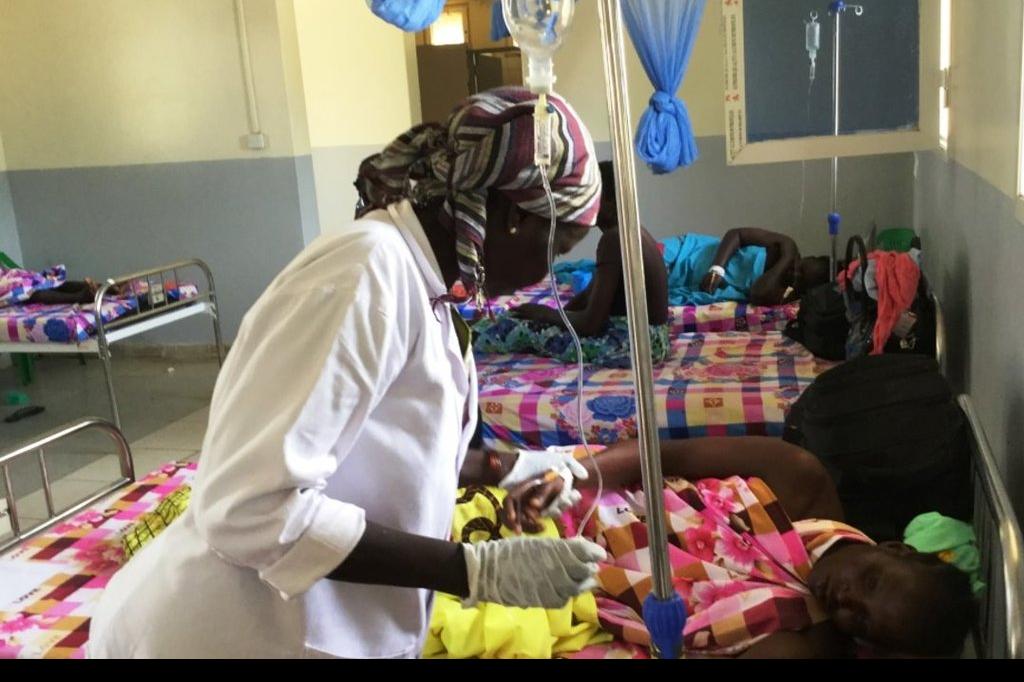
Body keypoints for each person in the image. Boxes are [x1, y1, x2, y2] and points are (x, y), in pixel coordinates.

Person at [87, 87, 607, 659]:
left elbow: (385, 443)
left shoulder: (423, 282)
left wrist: (506, 468)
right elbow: (248, 510)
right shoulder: (365, 274)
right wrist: (473, 570)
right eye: (556, 249)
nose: (547, 273)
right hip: (232, 632)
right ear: (512, 217)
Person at [503, 436, 975, 659]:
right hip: (590, 494)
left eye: (864, 621)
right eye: (870, 583)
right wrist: (571, 477)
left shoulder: (804, 642)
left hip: (573, 583)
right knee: (483, 477)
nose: (847, 600)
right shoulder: (801, 477)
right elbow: (666, 455)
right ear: (895, 549)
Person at [472, 161, 671, 369]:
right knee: (528, 320)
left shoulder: (613, 240)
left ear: (612, 202)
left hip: (632, 346)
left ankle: (471, 338)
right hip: (653, 342)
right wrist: (554, 316)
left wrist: (544, 314)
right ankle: (475, 330)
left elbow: (590, 323)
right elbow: (589, 295)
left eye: (591, 198)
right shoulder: (633, 232)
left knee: (521, 331)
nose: (583, 205)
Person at [699, 228, 830, 306]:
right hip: (697, 254)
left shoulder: (782, 294)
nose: (796, 274)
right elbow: (736, 234)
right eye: (801, 268)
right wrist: (716, 269)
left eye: (801, 279)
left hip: (698, 284)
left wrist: (786, 259)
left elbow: (758, 294)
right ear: (810, 258)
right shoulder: (786, 244)